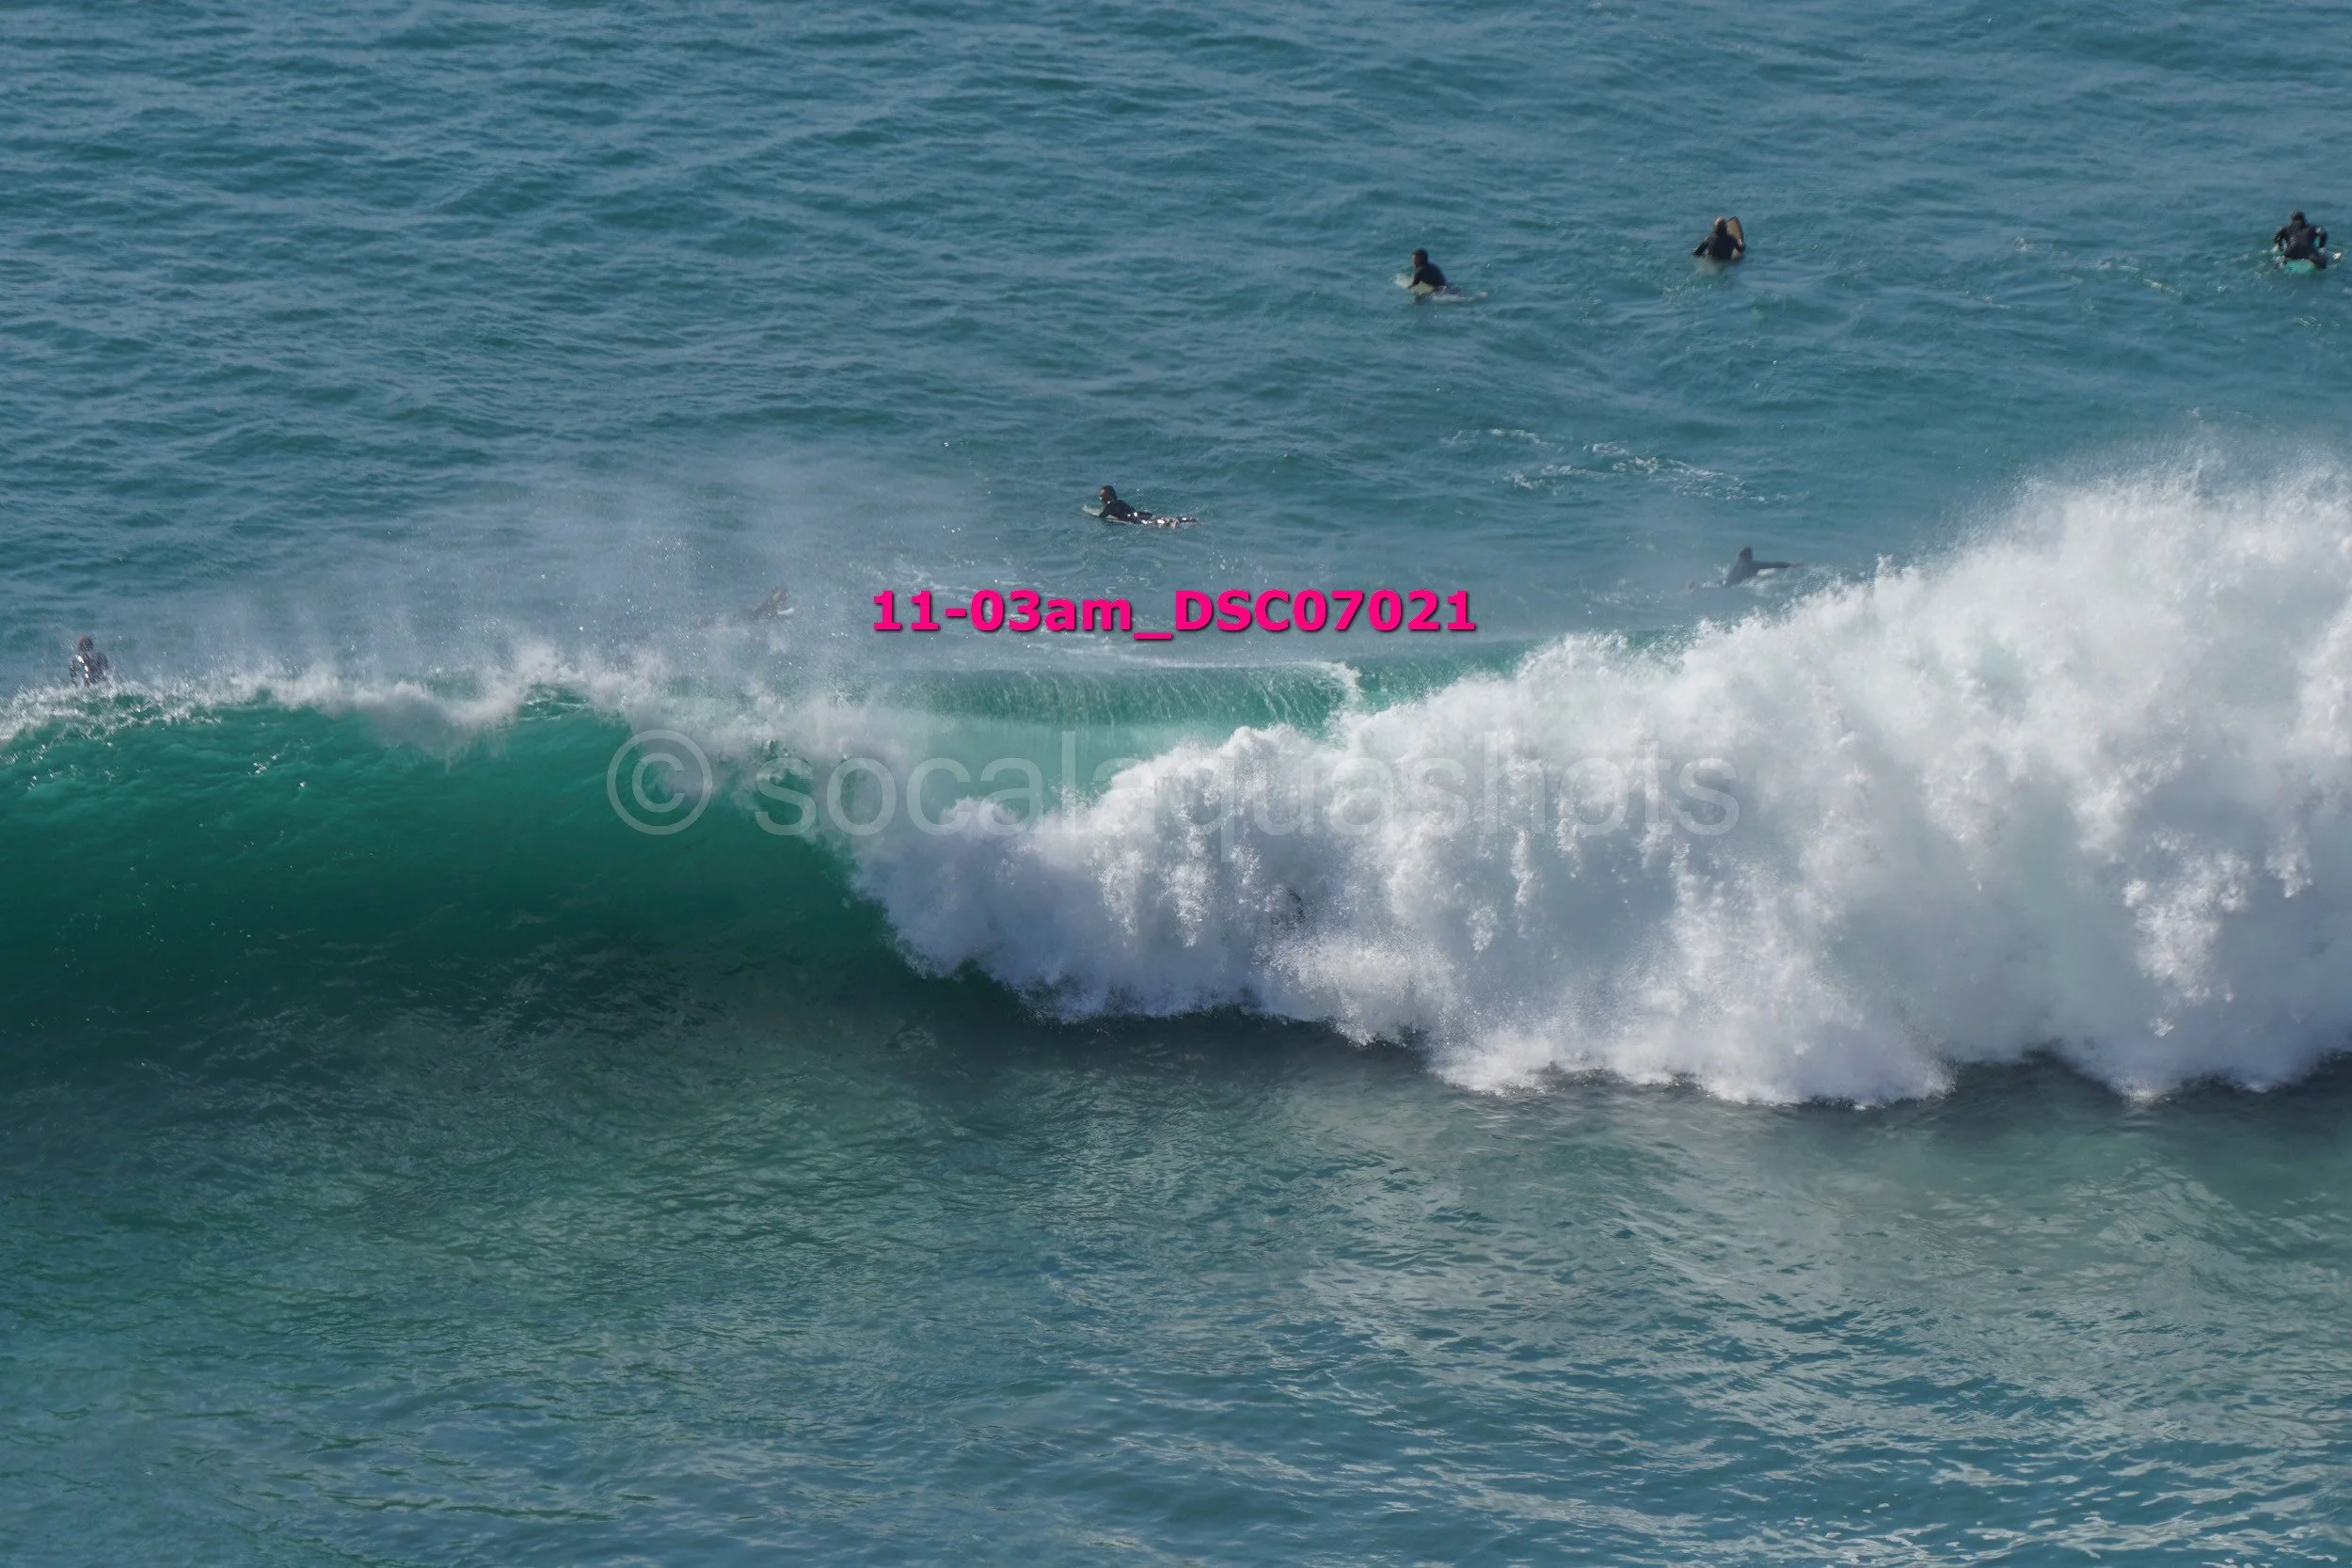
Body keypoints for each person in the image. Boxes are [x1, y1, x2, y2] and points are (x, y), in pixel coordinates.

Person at [1724, 546, 1794, 586]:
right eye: (1750, 554)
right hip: (1739, 586)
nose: (1752, 556)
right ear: (1748, 556)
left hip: (1727, 584)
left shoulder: (1737, 564)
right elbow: (1773, 564)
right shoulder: (1752, 565)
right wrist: (1790, 565)